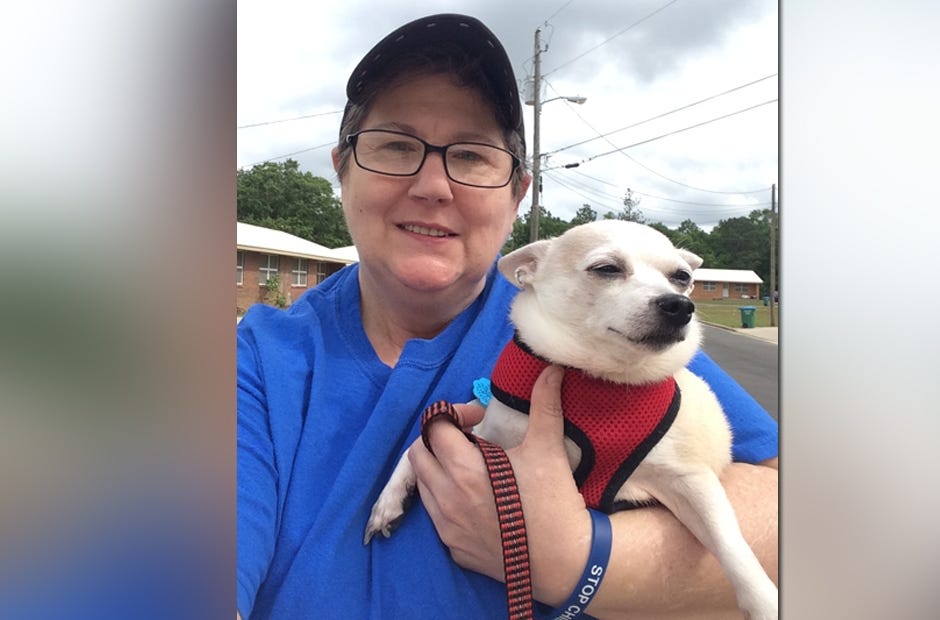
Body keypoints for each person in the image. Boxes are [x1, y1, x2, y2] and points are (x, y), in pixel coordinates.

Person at [237, 13, 778, 620]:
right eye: (395, 145)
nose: (433, 186)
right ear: (341, 166)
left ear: (517, 192)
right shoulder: (253, 362)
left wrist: (578, 556)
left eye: (470, 155)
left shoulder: (604, 340)